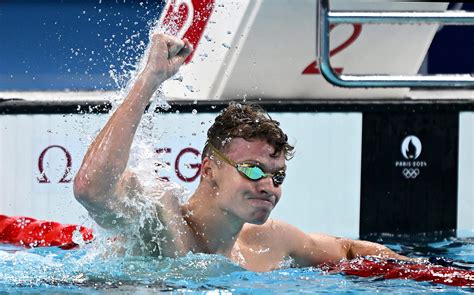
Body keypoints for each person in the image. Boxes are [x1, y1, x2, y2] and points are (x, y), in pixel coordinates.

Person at [73, 33, 407, 271]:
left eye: (277, 176)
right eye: (252, 169)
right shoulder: (161, 221)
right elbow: (91, 188)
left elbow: (348, 251)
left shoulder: (269, 242)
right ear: (208, 170)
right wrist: (149, 80)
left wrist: (419, 271)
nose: (268, 186)